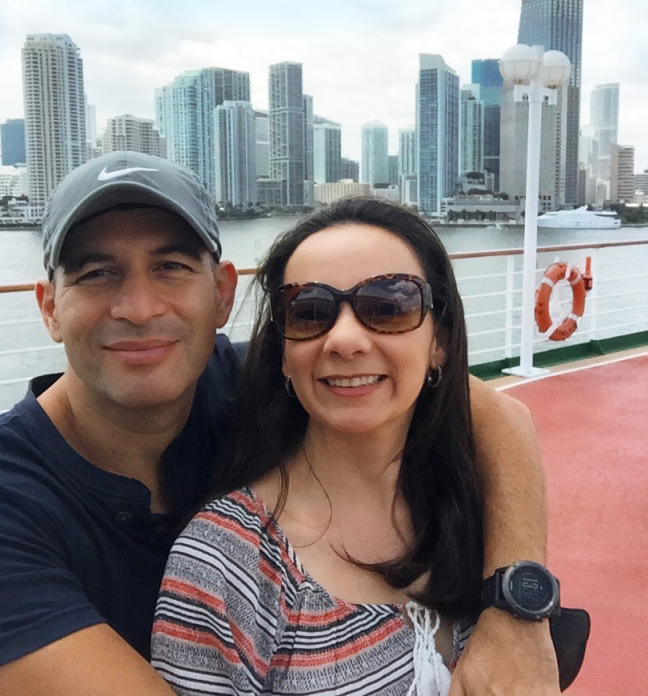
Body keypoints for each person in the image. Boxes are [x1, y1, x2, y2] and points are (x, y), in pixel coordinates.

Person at [0, 152, 555, 696]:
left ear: (224, 294)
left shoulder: (269, 380)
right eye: (97, 274)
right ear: (49, 308)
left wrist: (516, 611)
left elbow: (496, 412)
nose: (137, 305)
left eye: (172, 267)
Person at [151, 197, 558, 695]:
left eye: (389, 306)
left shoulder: (478, 504)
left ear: (440, 343)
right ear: (283, 353)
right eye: (309, 311)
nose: (344, 339)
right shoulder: (227, 566)